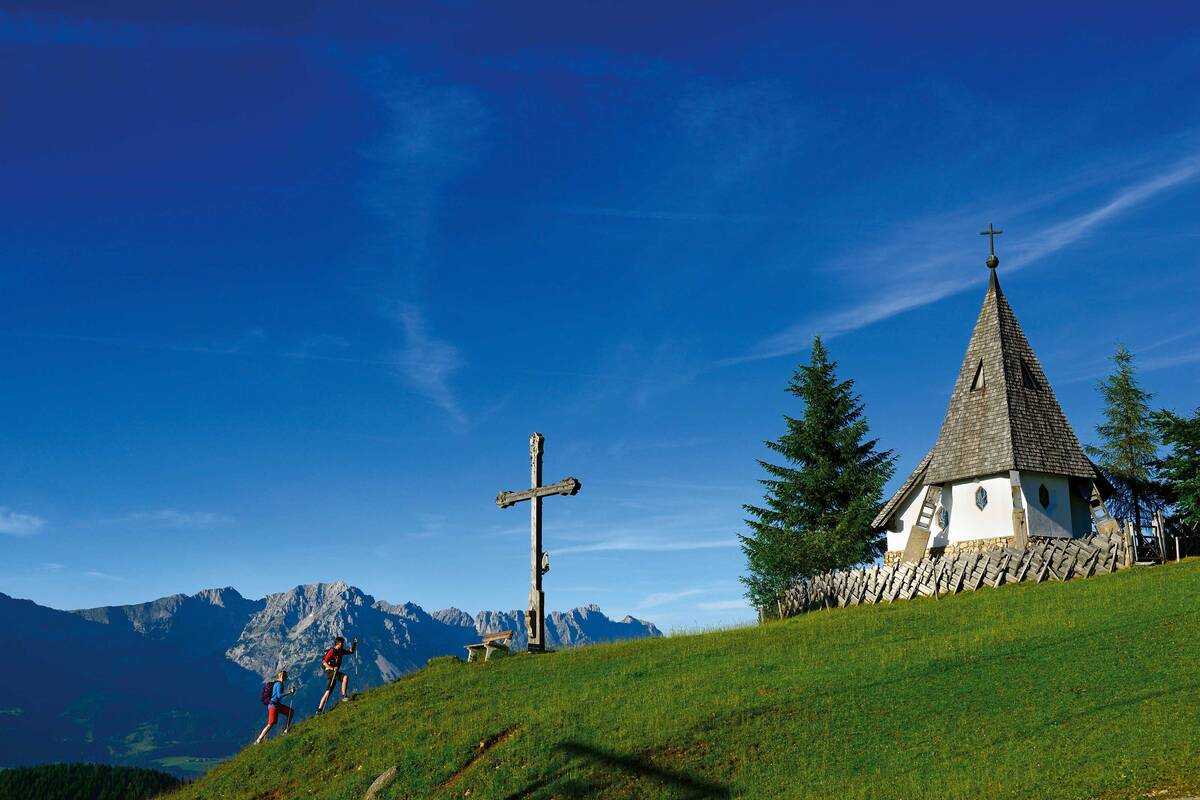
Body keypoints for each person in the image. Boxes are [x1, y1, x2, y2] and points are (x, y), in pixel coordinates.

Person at [315, 635, 357, 713]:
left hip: (334, 672)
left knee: (328, 691)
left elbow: (351, 651)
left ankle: (319, 710)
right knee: (345, 677)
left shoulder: (341, 651)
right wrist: (332, 668)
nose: (343, 644)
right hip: (330, 671)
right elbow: (324, 662)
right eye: (342, 643)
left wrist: (354, 644)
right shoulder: (332, 651)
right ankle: (344, 696)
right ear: (337, 643)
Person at [255, 670, 296, 744]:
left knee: (290, 712)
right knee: (270, 723)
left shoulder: (278, 683)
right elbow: (279, 695)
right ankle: (259, 740)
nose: (286, 677)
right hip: (273, 705)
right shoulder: (279, 684)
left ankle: (286, 730)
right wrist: (289, 692)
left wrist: (289, 691)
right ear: (281, 676)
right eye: (285, 676)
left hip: (276, 704)